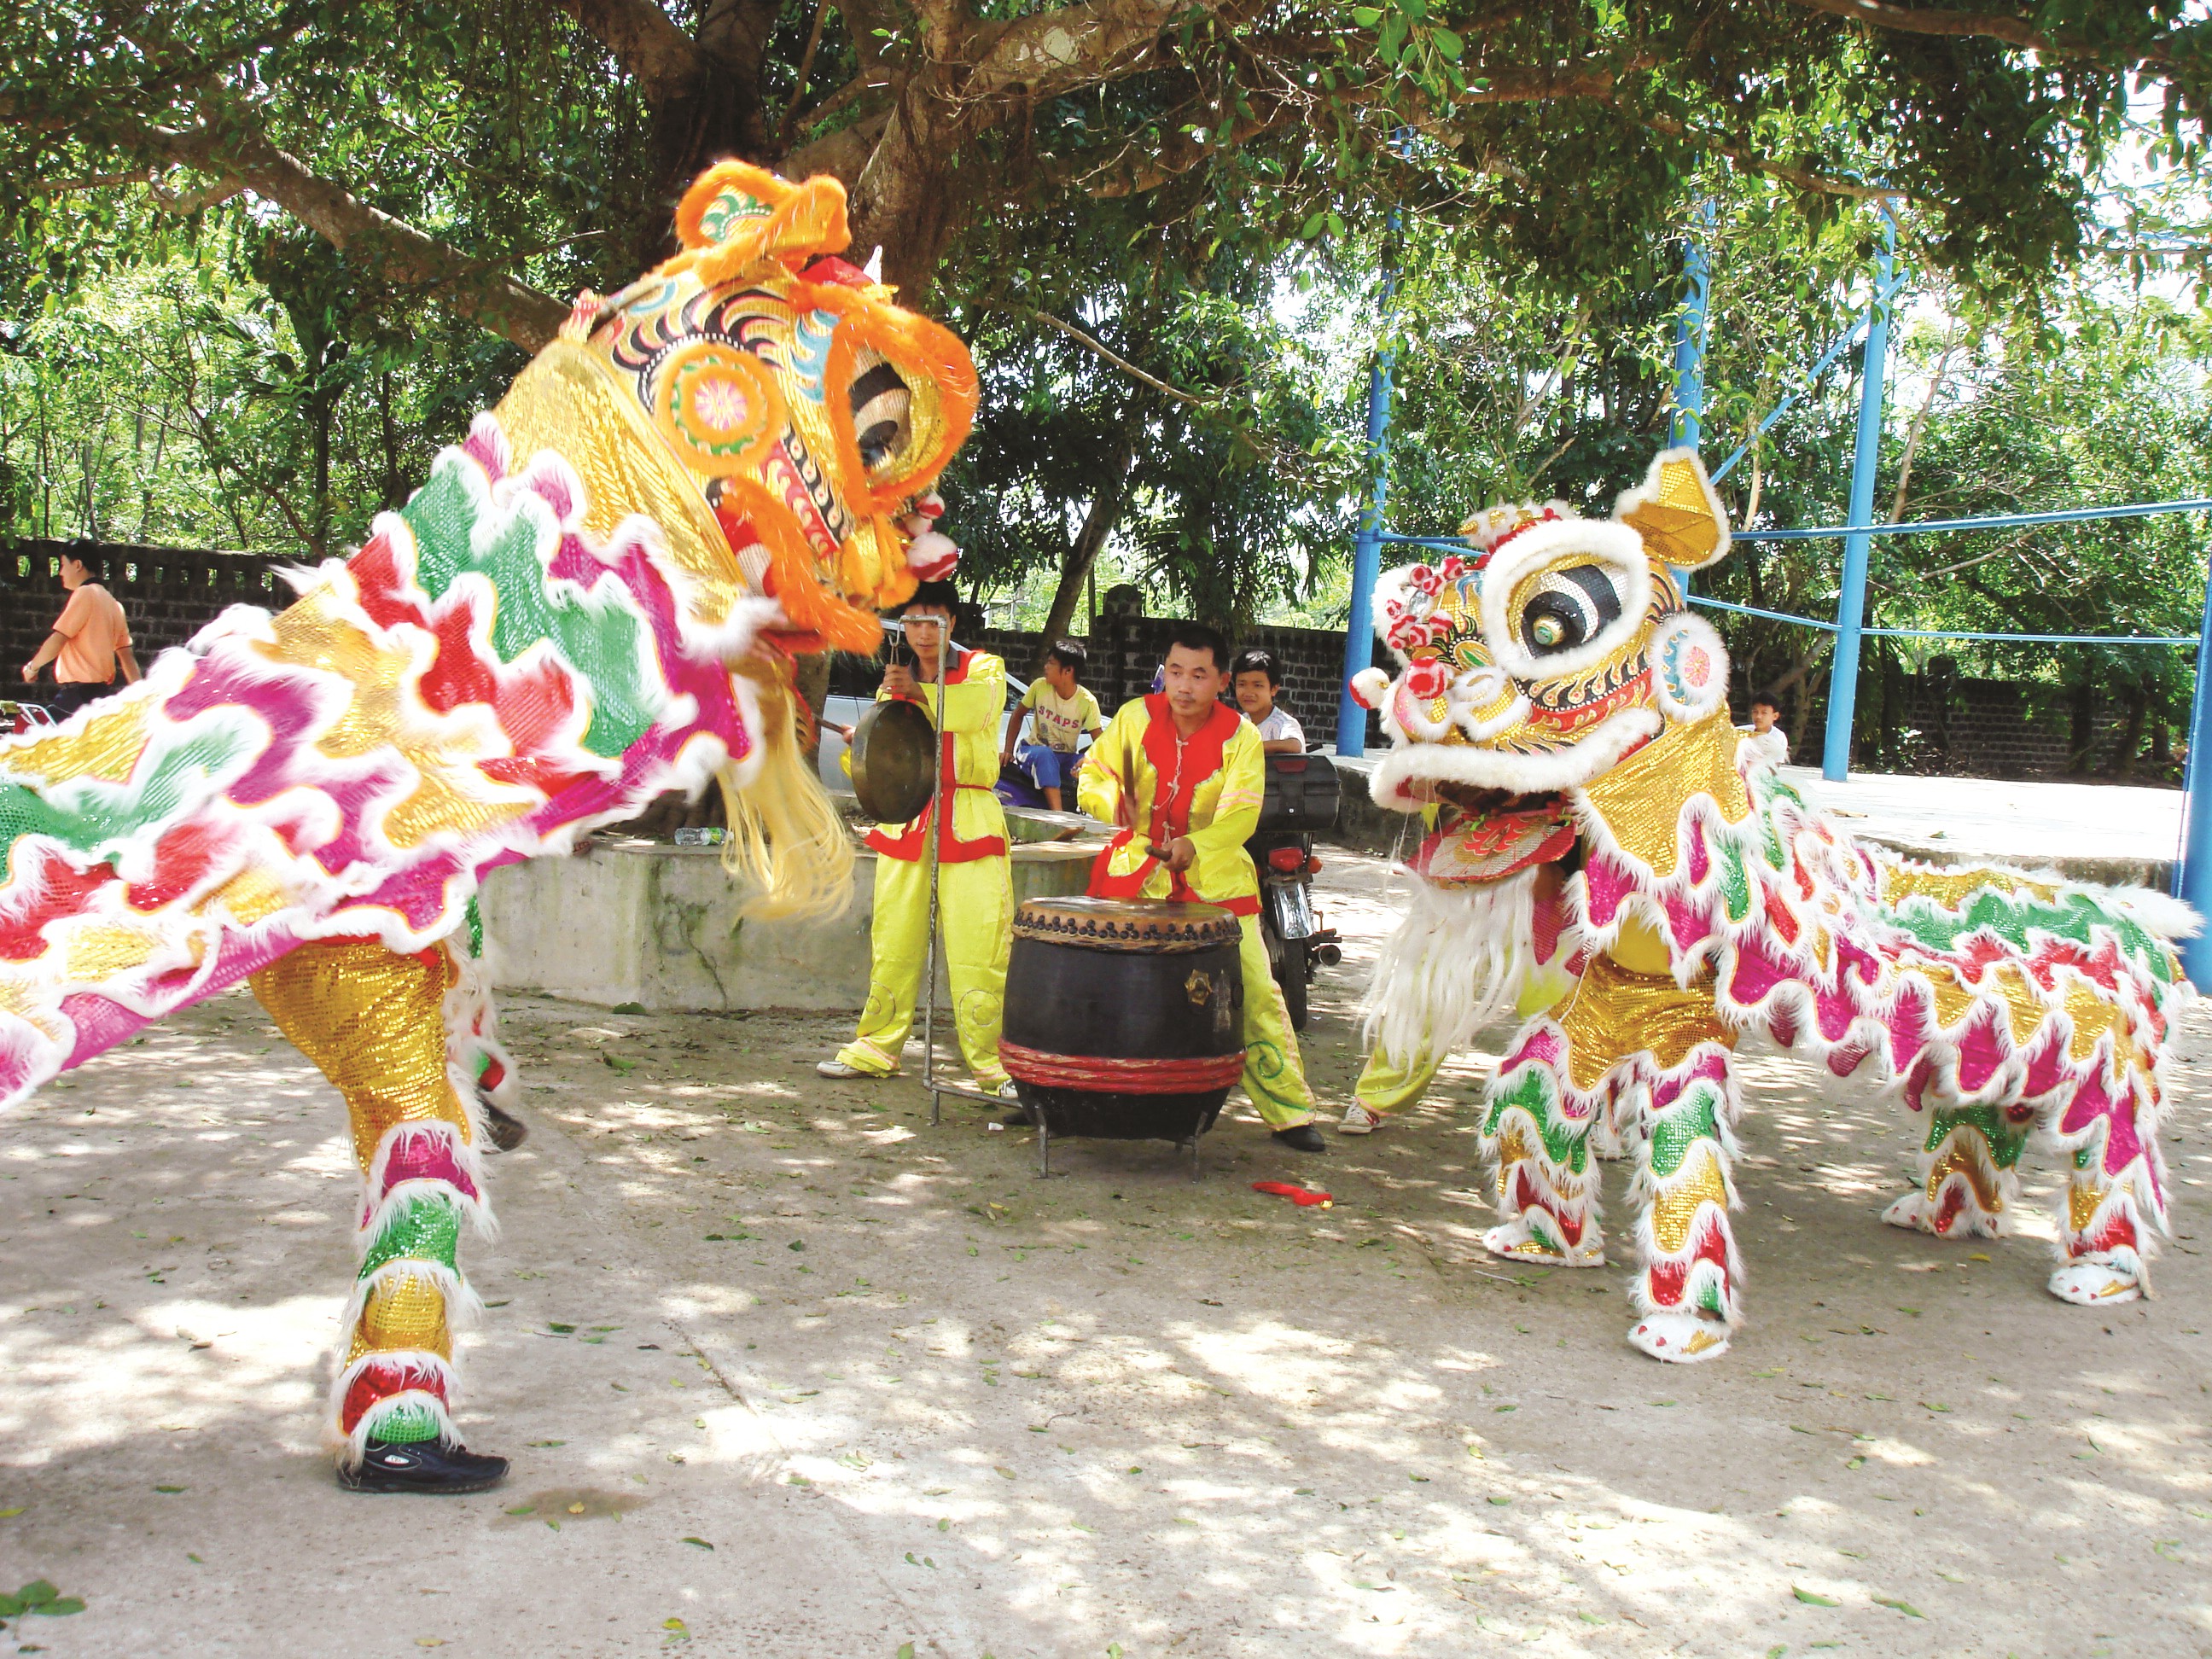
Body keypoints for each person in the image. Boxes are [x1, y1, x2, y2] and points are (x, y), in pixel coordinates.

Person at [1078, 623, 1328, 1152]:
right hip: (1136, 873)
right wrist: (1112, 804)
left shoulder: (1242, 737)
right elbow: (1094, 774)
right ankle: (1076, 1092)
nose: (1184, 686)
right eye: (1175, 672)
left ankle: (1290, 1111)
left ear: (1221, 682)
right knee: (1103, 985)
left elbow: (1240, 816)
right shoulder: (1132, 718)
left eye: (1198, 675)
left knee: (1255, 990)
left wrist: (1196, 844)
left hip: (1215, 879)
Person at [820, 581, 1014, 1095]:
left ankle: (994, 1065)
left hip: (969, 818)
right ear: (902, 626)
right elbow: (884, 757)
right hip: (908, 818)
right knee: (893, 941)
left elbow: (975, 711)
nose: (923, 631)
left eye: (934, 620)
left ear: (952, 622)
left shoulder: (983, 669)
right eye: (913, 621)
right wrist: (860, 742)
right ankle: (877, 1046)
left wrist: (917, 693)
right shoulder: (893, 683)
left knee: (981, 944)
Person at [20, 549, 140, 718]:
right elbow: (127, 656)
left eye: (63, 565)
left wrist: (32, 668)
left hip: (76, 698)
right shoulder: (114, 605)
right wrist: (143, 695)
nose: (60, 572)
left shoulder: (85, 593)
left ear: (77, 565)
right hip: (100, 697)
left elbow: (58, 639)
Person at [1001, 638, 1103, 811]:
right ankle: (1058, 816)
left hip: (1065, 758)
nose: (1045, 667)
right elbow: (1017, 715)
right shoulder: (1039, 687)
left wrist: (1087, 760)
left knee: (1092, 765)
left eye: (1051, 663)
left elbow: (1101, 742)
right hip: (1032, 751)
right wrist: (1008, 751)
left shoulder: (1087, 702)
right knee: (1045, 755)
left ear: (1068, 670)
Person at [1231, 647, 1304, 754]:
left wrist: (1252, 747)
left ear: (1273, 689)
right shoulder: (1240, 723)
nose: (1249, 692)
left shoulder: (1282, 723)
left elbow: (1294, 745)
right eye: (1242, 684)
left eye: (1258, 685)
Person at [1738, 690, 1790, 769]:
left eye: (1764, 713)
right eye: (1755, 712)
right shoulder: (1740, 732)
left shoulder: (1778, 737)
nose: (1758, 716)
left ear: (1775, 716)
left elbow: (1773, 769)